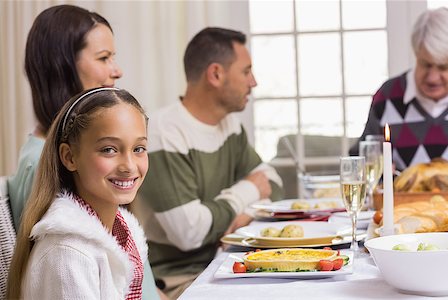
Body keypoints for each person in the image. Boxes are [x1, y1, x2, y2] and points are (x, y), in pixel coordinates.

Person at [6, 5, 164, 299]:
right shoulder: (65, 246)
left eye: (139, 148)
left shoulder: (116, 218)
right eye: (104, 58)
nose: (117, 70)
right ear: (61, 66)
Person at [131, 27, 283, 299]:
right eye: (246, 71)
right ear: (215, 74)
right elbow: (190, 233)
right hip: (180, 280)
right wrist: (247, 191)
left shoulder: (230, 126)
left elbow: (273, 183)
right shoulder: (163, 134)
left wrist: (247, 215)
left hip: (227, 262)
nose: (254, 82)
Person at [7, 88, 150, 298]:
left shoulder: (124, 231)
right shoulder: (68, 253)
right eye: (109, 149)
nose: (129, 166)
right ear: (69, 157)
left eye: (138, 149)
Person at [350, 7, 448, 171]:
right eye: (426, 65)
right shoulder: (388, 96)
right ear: (416, 55)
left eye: (443, 67)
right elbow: (357, 162)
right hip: (397, 197)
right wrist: (378, 172)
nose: (432, 77)